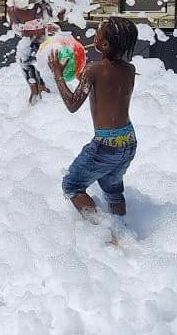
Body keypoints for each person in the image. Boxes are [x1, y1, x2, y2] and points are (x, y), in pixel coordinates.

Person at [50, 16, 138, 219]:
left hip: (106, 146)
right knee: (113, 190)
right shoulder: (129, 70)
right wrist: (83, 73)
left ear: (104, 44)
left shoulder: (93, 70)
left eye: (97, 34)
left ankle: (105, 233)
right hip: (128, 142)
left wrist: (58, 75)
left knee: (71, 185)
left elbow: (73, 104)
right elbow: (106, 86)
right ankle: (122, 229)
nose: (94, 36)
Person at [7, 0, 60, 105]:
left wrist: (33, 27)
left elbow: (17, 30)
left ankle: (32, 99)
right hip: (43, 46)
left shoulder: (13, 9)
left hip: (25, 47)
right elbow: (56, 16)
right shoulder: (42, 5)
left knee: (31, 80)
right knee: (44, 81)